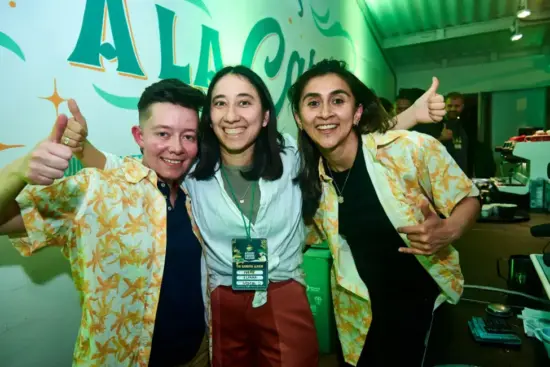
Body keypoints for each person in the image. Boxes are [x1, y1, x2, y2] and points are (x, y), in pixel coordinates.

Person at [59, 65, 446, 367]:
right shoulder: (191, 170)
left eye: (244, 102)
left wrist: (410, 115)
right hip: (223, 301)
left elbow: (348, 142)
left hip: (283, 292)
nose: (232, 114)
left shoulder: (294, 156)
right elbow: (131, 167)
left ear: (264, 116)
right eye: (220, 103)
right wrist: (84, 148)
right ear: (209, 116)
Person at [0, 79, 209, 367]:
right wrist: (18, 170)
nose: (177, 148)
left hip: (197, 357)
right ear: (139, 136)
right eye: (163, 133)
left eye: (189, 136)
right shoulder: (95, 190)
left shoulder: (198, 195)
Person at [288, 59, 481, 366]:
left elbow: (468, 197)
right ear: (300, 118)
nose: (325, 112)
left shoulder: (411, 150)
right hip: (356, 315)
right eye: (313, 103)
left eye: (338, 100)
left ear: (357, 112)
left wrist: (450, 229)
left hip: (419, 308)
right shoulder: (312, 180)